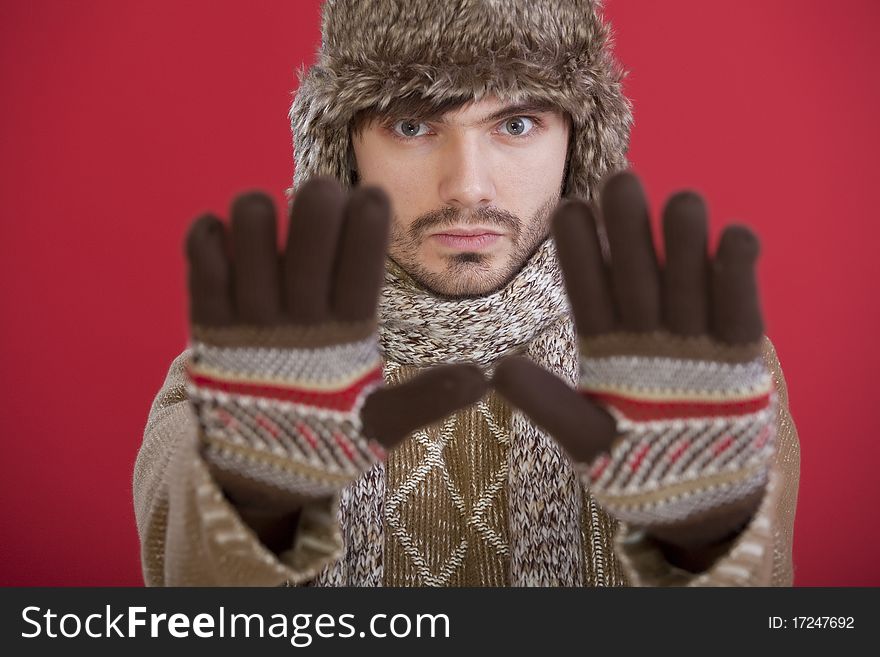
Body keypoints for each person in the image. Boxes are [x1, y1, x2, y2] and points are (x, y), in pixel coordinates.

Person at [134, 0, 800, 586]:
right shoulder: (244, 378)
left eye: (515, 124)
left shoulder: (703, 368)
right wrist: (255, 513)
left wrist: (707, 547)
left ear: (576, 142)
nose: (468, 186)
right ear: (344, 147)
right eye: (413, 126)